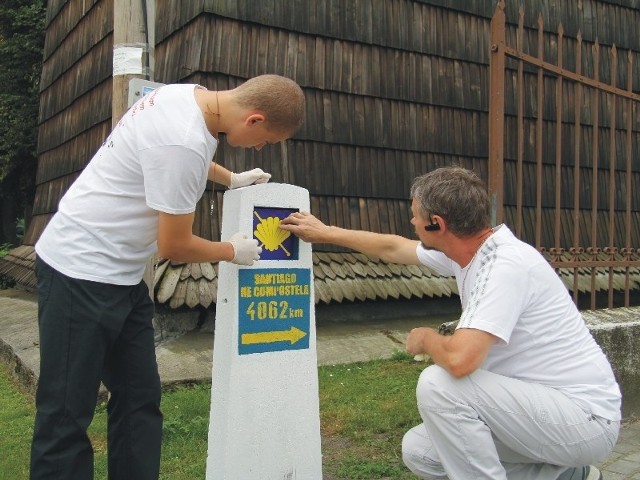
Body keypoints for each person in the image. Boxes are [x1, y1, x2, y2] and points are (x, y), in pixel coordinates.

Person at [31, 74, 305, 480]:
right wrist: (231, 251)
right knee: (66, 411)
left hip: (123, 278)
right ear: (254, 119)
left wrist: (231, 179)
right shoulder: (184, 141)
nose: (262, 148)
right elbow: (173, 247)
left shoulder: (185, 98)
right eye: (267, 139)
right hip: (78, 271)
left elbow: (176, 156)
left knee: (140, 398)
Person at [280, 166, 621, 480]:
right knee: (423, 451)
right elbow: (392, 247)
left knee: (439, 385)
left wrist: (427, 339)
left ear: (437, 224)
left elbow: (460, 361)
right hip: (545, 416)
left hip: (584, 421)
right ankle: (571, 476)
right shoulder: (469, 254)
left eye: (414, 216)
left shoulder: (504, 266)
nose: (412, 223)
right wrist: (325, 233)